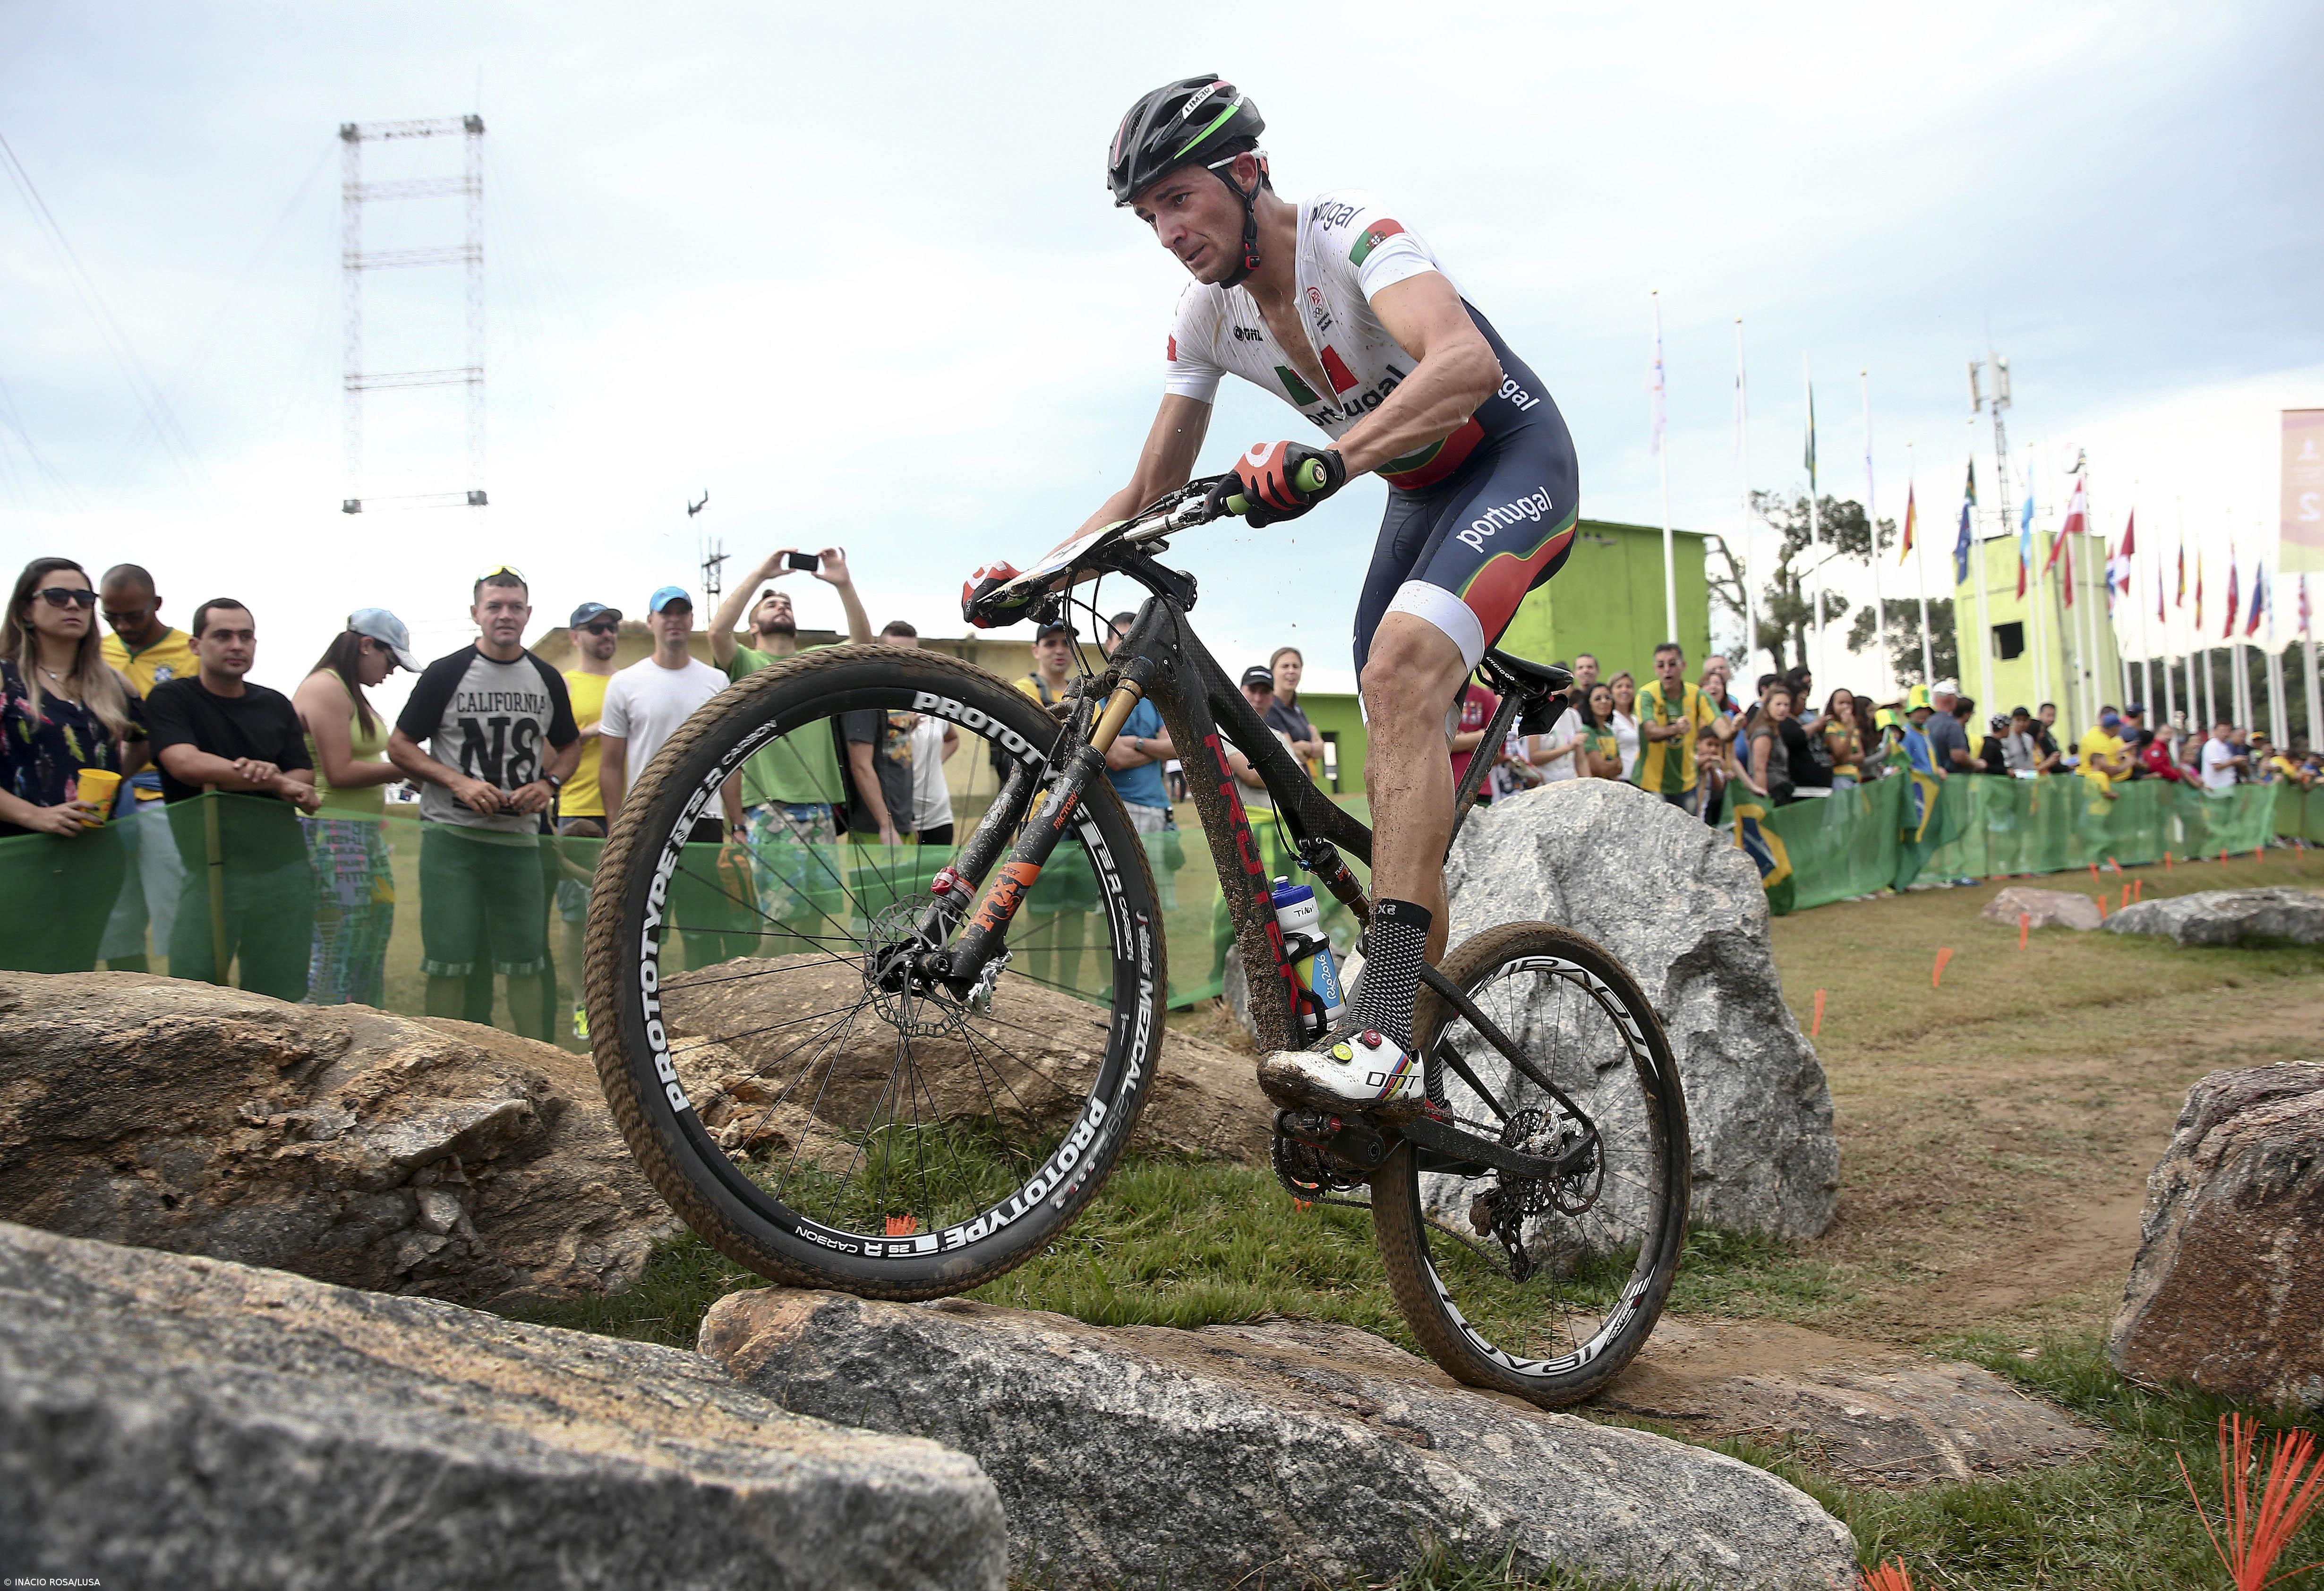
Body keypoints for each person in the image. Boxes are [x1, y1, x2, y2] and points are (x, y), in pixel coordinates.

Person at [979, 75, 1581, 1103]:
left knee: (1393, 676)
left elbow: (1467, 364)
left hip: (1514, 463)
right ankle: (1409, 1049)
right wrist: (1035, 575)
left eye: (1179, 198)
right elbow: (1150, 489)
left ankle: (1385, 1023)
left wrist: (1331, 464)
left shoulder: (1352, 236)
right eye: (1148, 213)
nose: (1167, 230)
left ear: (1246, 173)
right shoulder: (1205, 315)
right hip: (1415, 492)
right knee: (1389, 750)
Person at [388, 567, 578, 1039]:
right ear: (476, 612)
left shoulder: (546, 677)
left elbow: (570, 745)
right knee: (447, 961)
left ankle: (540, 1064)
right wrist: (457, 781)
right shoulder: (446, 673)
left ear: (529, 613)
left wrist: (549, 782)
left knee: (526, 960)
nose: (505, 615)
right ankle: (440, 1063)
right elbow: (401, 745)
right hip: (451, 838)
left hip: (517, 842)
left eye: (515, 606)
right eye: (494, 606)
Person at [145, 599, 319, 999]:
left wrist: (274, 778)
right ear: (195, 645)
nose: (236, 645)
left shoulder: (275, 703)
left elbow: (303, 773)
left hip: (283, 871)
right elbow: (184, 763)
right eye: (222, 636)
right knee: (193, 999)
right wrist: (271, 781)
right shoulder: (172, 700)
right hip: (211, 872)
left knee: (281, 1001)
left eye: (245, 636)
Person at [709, 547, 871, 942]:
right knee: (778, 928)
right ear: (753, 627)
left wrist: (844, 584)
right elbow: (717, 632)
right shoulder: (745, 662)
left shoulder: (816, 661)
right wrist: (762, 575)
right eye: (771, 605)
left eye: (787, 604)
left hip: (819, 808)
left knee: (819, 923)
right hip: (770, 810)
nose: (781, 606)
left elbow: (865, 643)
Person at [0, 558, 143, 974]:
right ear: (26, 609)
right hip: (18, 856)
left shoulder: (112, 683)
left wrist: (116, 783)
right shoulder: (5, 680)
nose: (73, 607)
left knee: (72, 978)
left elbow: (146, 740)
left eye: (84, 598)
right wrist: (38, 816)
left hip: (93, 857)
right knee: (16, 981)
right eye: (58, 597)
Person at [600, 586, 749, 969]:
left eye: (683, 612)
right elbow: (611, 764)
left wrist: (739, 825)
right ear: (651, 621)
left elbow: (731, 760)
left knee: (704, 930)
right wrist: (618, 829)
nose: (675, 620)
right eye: (666, 613)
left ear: (691, 620)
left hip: (704, 823)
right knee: (643, 932)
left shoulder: (715, 681)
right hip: (646, 823)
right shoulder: (625, 684)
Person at [291, 609, 417, 1006]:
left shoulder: (349, 691)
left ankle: (363, 1028)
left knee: (371, 929)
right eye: (391, 660)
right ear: (366, 646)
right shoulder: (325, 689)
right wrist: (409, 768)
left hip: (360, 832)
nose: (392, 671)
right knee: (336, 941)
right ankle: (321, 1034)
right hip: (330, 833)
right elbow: (340, 772)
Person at [94, 562, 196, 973]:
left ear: (156, 604)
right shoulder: (97, 653)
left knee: (173, 897)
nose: (122, 625)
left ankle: (187, 998)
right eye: (111, 616)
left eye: (133, 615)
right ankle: (126, 1003)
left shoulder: (190, 653)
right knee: (117, 907)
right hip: (105, 793)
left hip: (166, 794)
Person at [553, 600, 621, 1037]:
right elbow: (550, 744)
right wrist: (593, 731)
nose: (607, 634)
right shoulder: (563, 685)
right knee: (577, 916)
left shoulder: (628, 683)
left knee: (620, 914)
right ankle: (582, 1003)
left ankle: (617, 1001)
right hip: (576, 809)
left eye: (612, 626)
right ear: (575, 636)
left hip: (628, 811)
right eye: (596, 627)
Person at [881, 621, 960, 845]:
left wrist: (934, 762)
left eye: (912, 654)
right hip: (898, 818)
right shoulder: (877, 705)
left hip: (939, 816)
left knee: (940, 881)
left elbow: (952, 739)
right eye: (897, 654)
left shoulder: (932, 702)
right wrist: (903, 732)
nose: (905, 662)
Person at [1635, 643, 1724, 816]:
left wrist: (1734, 729)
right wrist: (1677, 729)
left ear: (1683, 666)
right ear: (1655, 669)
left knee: (1688, 836)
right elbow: (1650, 733)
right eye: (1661, 665)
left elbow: (1724, 732)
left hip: (1687, 783)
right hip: (1652, 783)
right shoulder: (1647, 694)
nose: (1667, 670)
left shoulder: (1698, 695)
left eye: (1672, 664)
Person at [1265, 646, 1327, 775]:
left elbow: (1321, 749)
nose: (1291, 671)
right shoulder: (1270, 707)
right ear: (1272, 671)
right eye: (1285, 666)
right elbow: (1292, 752)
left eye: (1296, 666)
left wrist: (1306, 747)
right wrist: (1312, 746)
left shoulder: (1297, 708)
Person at [1744, 680, 1795, 805]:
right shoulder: (1764, 733)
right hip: (1772, 791)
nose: (1782, 709)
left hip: (1781, 787)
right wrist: (1763, 802)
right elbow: (1759, 768)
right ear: (1768, 706)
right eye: (1778, 704)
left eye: (1786, 705)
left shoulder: (1775, 730)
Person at [2078, 707, 2132, 798]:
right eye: (2119, 727)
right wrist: (2127, 764)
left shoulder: (2100, 734)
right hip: (2097, 801)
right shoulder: (2101, 743)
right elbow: (2107, 771)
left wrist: (2119, 754)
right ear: (2114, 728)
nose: (2120, 730)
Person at [1925, 680, 1972, 776]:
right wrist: (1976, 764)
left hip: (1932, 779)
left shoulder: (1926, 723)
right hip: (1953, 780)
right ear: (1951, 699)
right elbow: (1958, 756)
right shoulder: (1952, 725)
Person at [1820, 688, 1863, 790]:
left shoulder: (1854, 727)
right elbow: (1840, 755)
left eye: (1849, 703)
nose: (1846, 707)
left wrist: (1845, 759)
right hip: (1840, 779)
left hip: (1855, 777)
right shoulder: (1832, 727)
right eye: (1841, 703)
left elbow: (1861, 756)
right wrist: (1848, 733)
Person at [1607, 670, 1641, 781]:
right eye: (1619, 686)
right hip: (1623, 778)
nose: (1625, 690)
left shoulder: (1636, 719)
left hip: (1641, 778)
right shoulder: (1611, 720)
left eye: (1629, 686)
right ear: (1611, 692)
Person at [2200, 721, 2245, 791]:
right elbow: (2217, 766)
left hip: (2226, 787)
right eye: (2222, 731)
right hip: (2216, 788)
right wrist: (2234, 761)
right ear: (2215, 732)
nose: (2225, 734)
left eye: (2228, 731)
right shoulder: (2213, 745)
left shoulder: (2224, 746)